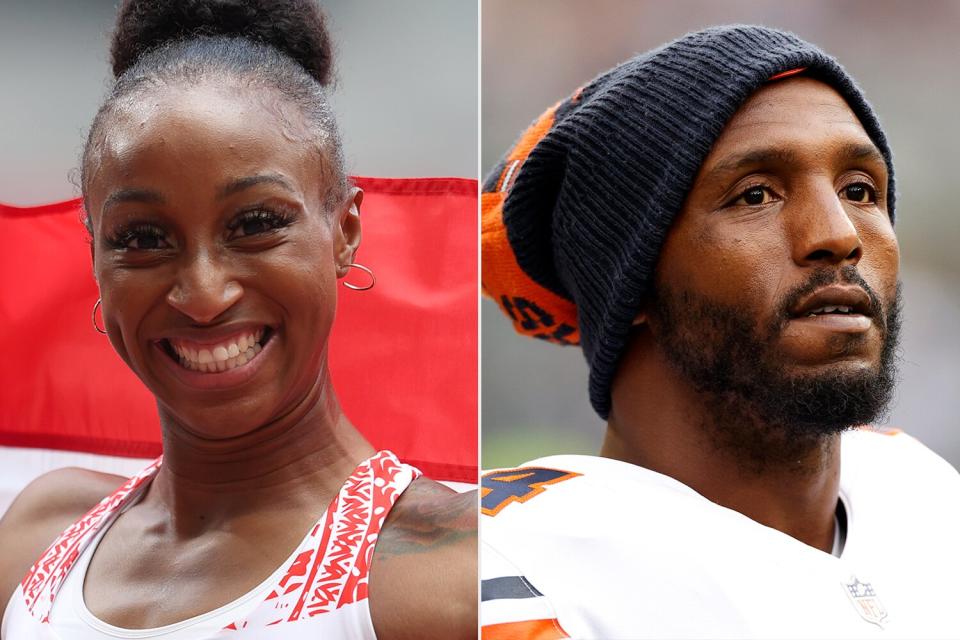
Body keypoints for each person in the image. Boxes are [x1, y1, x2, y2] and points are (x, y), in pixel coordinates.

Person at [0, 2, 476, 638]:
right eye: (141, 237)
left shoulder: (442, 578)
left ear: (345, 232)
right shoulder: (38, 534)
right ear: (94, 256)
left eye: (255, 225)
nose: (202, 295)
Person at [480, 24, 960, 639]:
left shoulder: (922, 492)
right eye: (755, 194)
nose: (840, 235)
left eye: (860, 190)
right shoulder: (516, 576)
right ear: (629, 279)